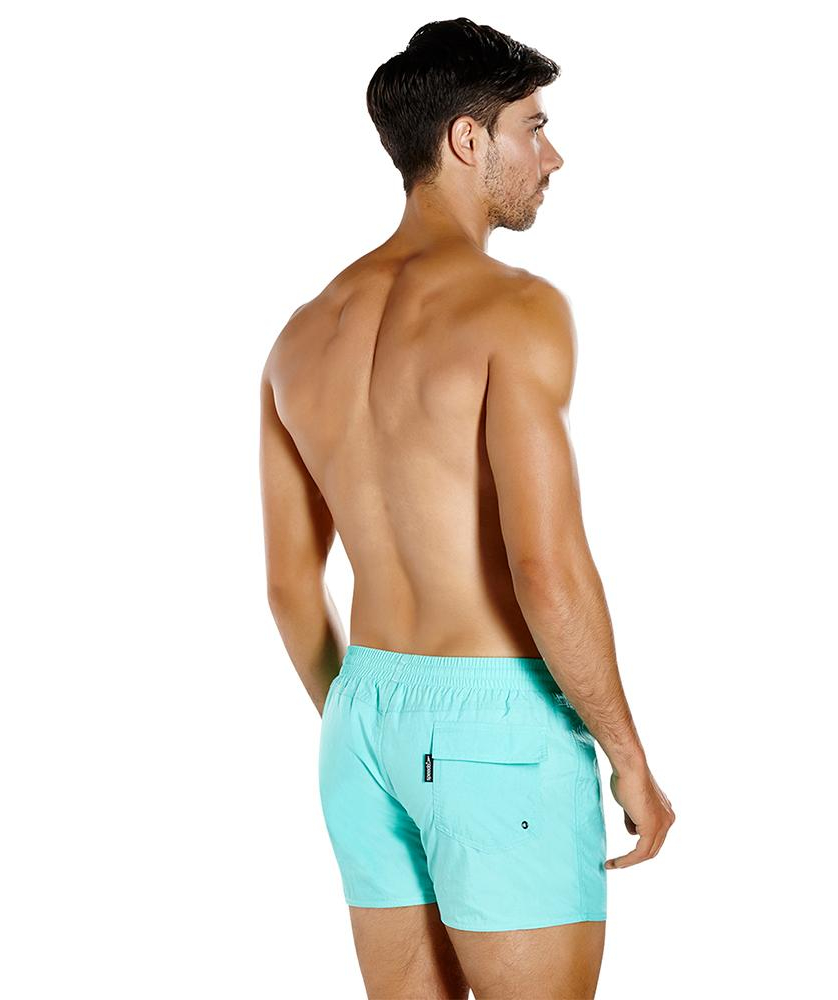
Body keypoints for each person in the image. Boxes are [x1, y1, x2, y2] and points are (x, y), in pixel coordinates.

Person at [259, 17, 674, 999]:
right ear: (465, 138)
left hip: (358, 724)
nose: (553, 156)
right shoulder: (514, 309)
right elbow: (545, 570)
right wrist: (628, 757)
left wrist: (386, 729)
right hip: (495, 722)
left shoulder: (300, 336)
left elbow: (289, 587)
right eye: (535, 127)